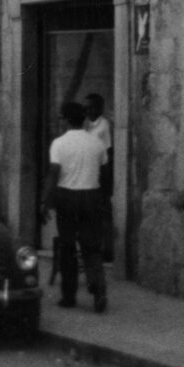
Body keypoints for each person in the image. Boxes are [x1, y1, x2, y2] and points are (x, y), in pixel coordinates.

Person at [41, 101, 108, 312]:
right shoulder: (97, 143)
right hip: (92, 196)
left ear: (66, 120)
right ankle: (98, 288)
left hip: (67, 197)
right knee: (92, 247)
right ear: (83, 119)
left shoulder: (59, 144)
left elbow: (53, 175)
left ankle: (68, 296)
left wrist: (45, 202)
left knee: (68, 247)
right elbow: (104, 173)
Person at [83, 92, 115, 262]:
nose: (88, 111)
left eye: (92, 107)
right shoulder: (86, 125)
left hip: (101, 173)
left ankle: (107, 249)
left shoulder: (104, 126)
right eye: (86, 108)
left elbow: (108, 151)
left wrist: (106, 178)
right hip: (88, 174)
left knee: (103, 213)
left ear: (100, 108)